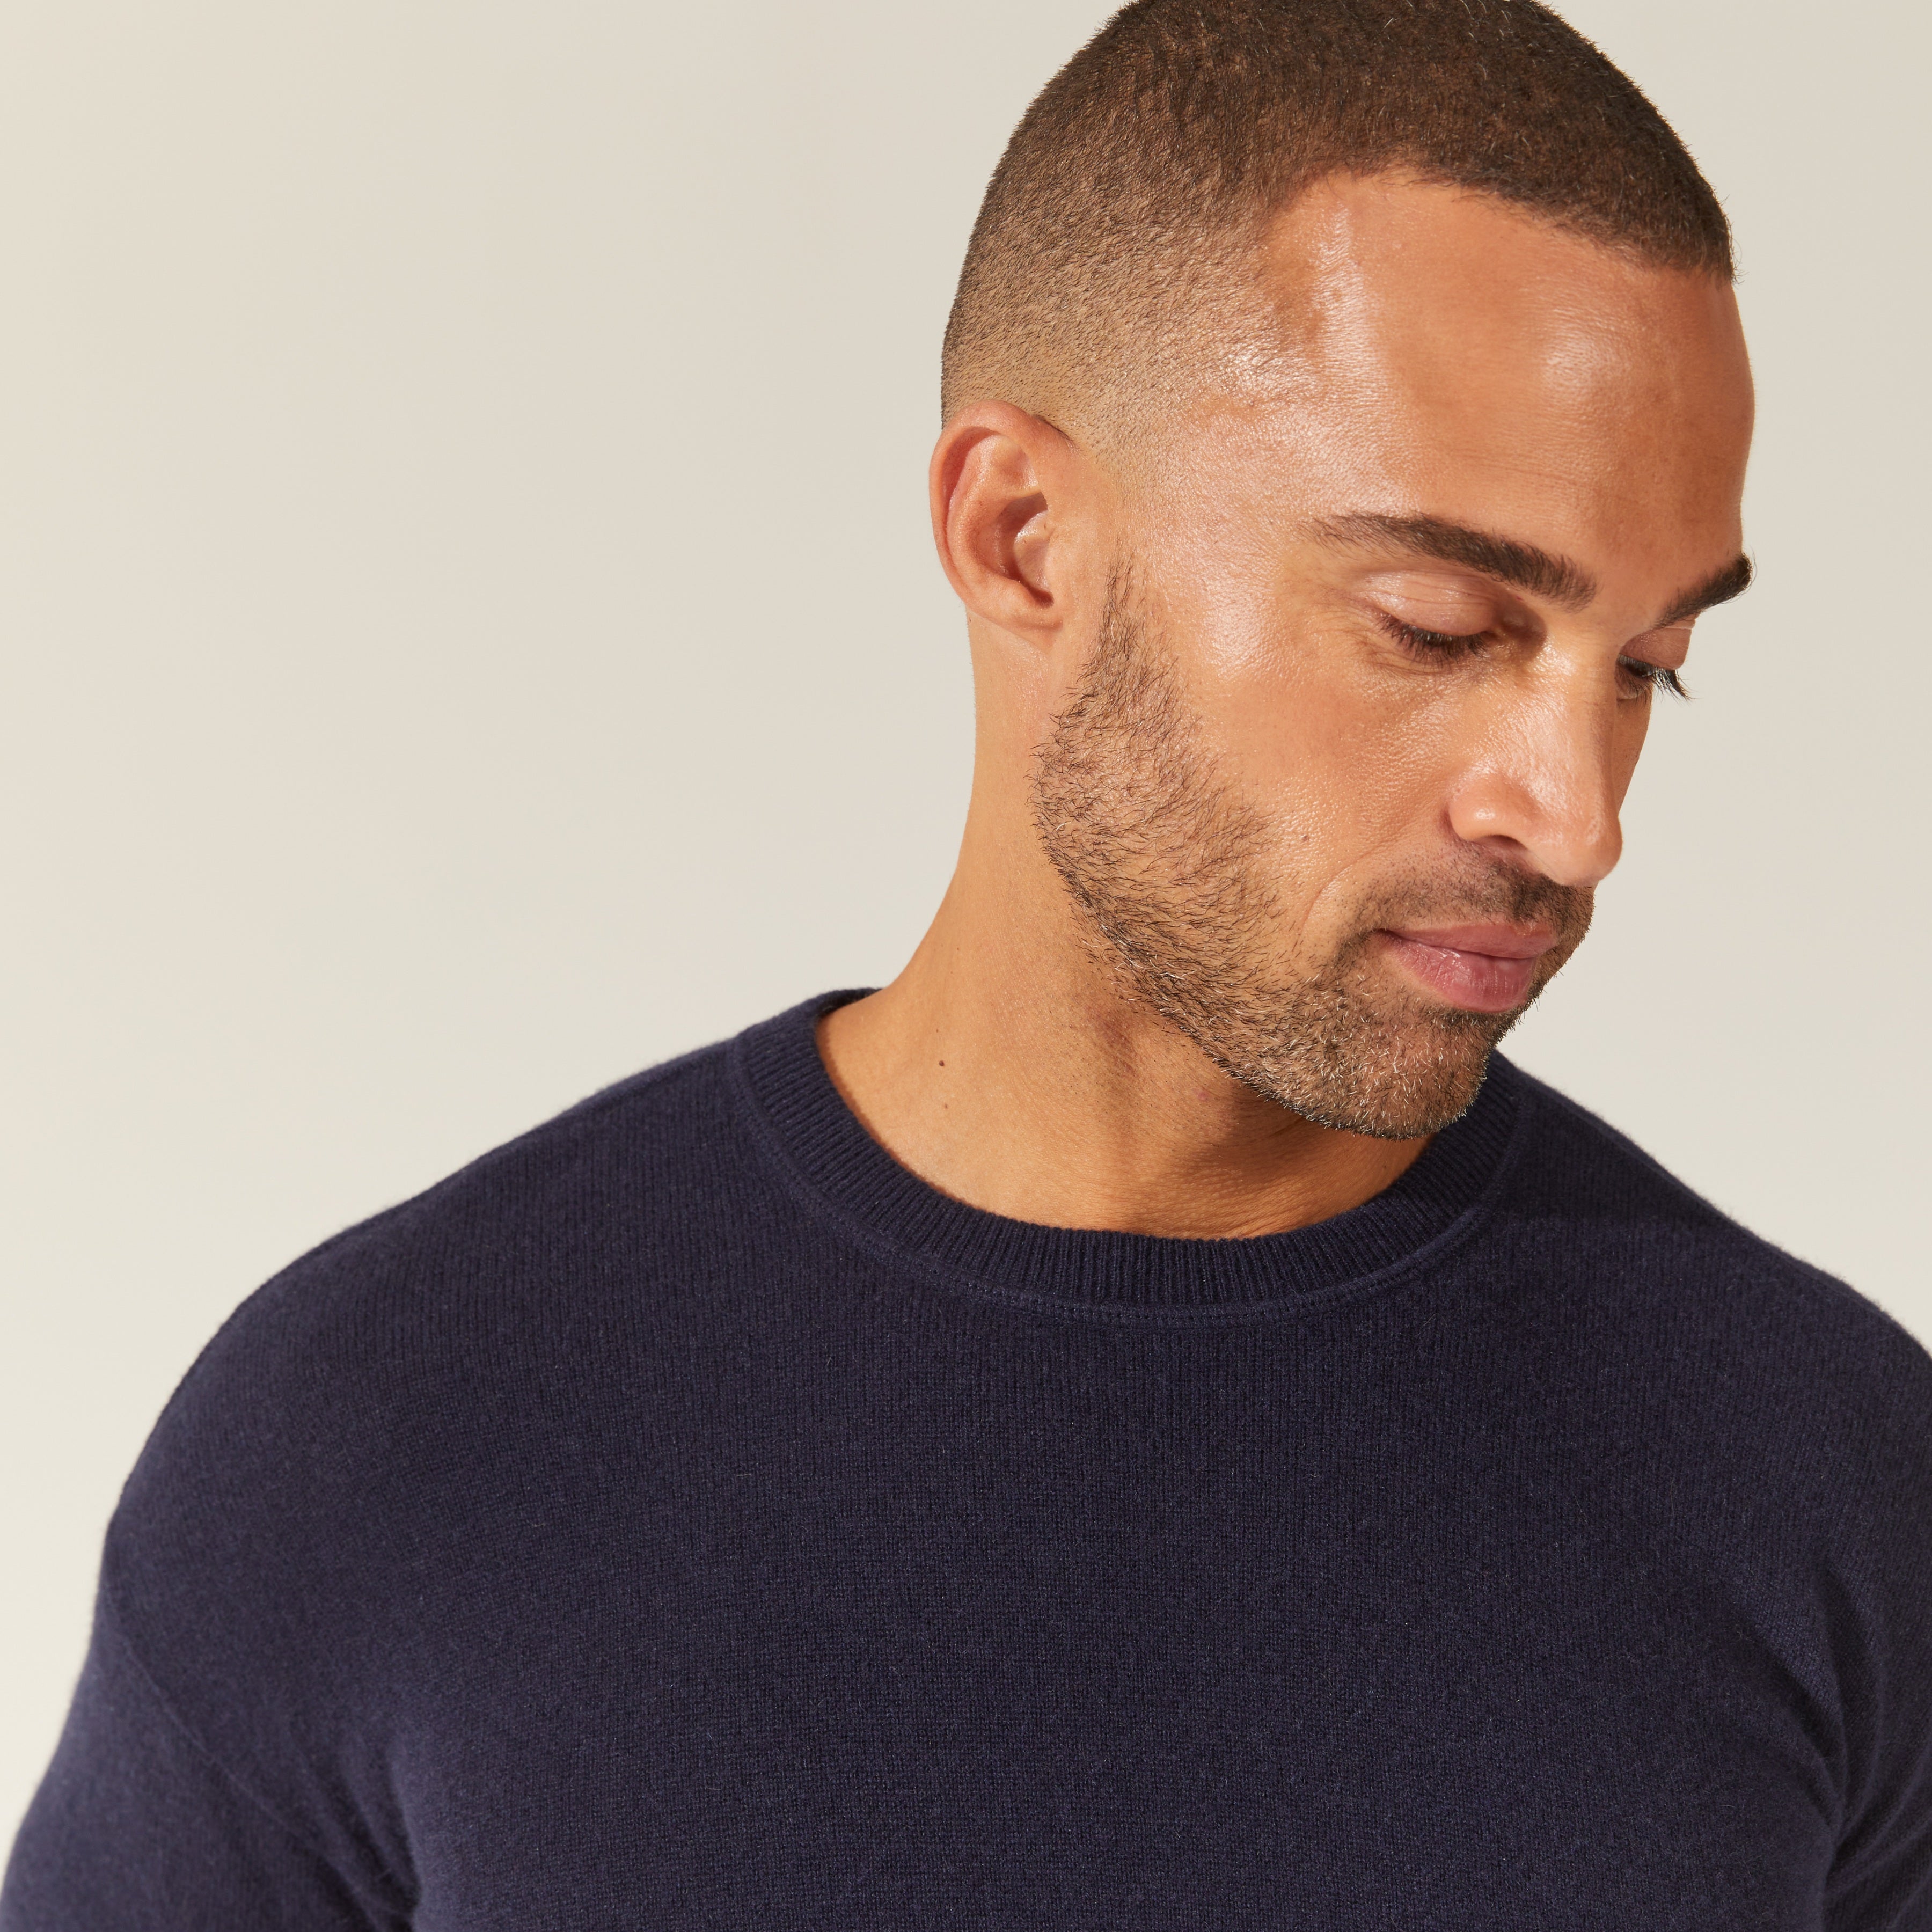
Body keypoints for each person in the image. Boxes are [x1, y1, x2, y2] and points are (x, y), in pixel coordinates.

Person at [6, 0, 1928, 1923]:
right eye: (1438, 625)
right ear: (1022, 539)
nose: (1576, 820)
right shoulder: (378, 1443)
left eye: (1653, 667)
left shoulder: (1829, 1482)